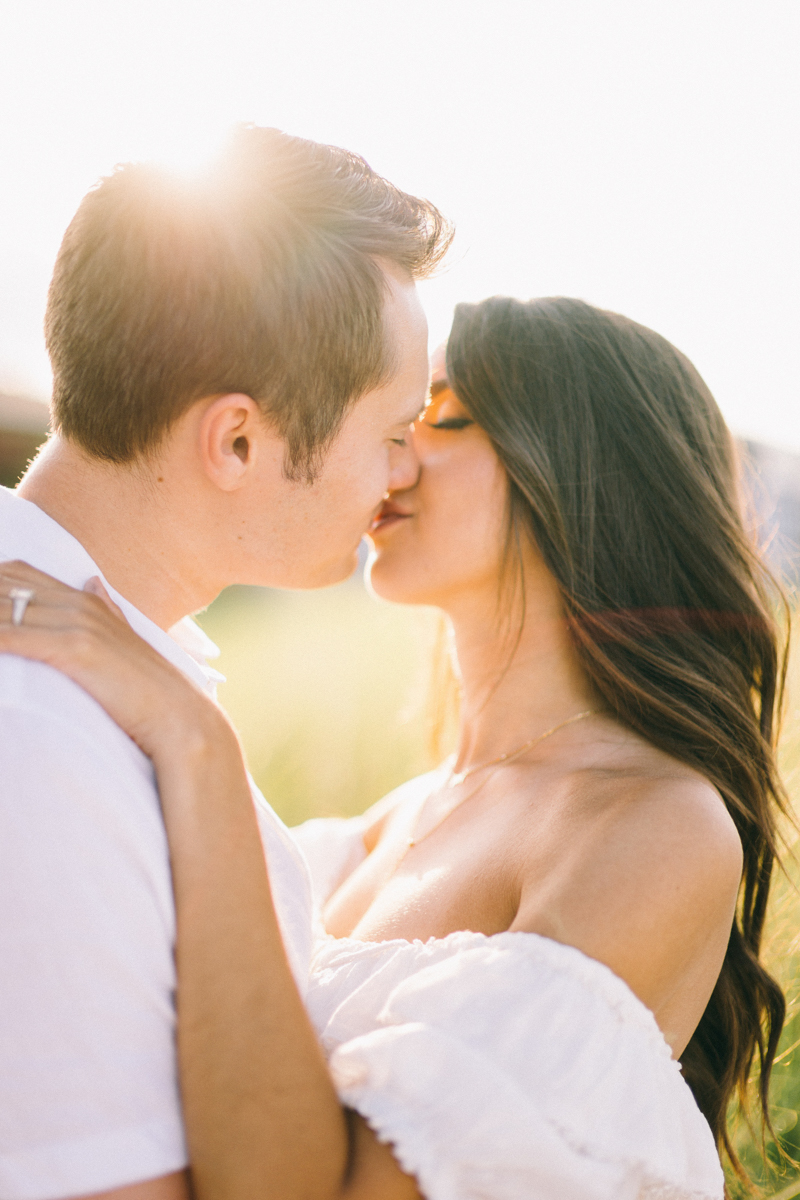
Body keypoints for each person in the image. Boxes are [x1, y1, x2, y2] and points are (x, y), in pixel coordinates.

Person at [1, 298, 789, 1199]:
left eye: (442, 417)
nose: (393, 455)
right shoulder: (364, 836)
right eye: (397, 419)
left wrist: (194, 740)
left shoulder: (656, 828)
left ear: (584, 470)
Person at [0, 125, 452, 1200]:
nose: (402, 474)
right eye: (389, 430)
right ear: (237, 442)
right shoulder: (46, 743)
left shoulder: (109, 683)